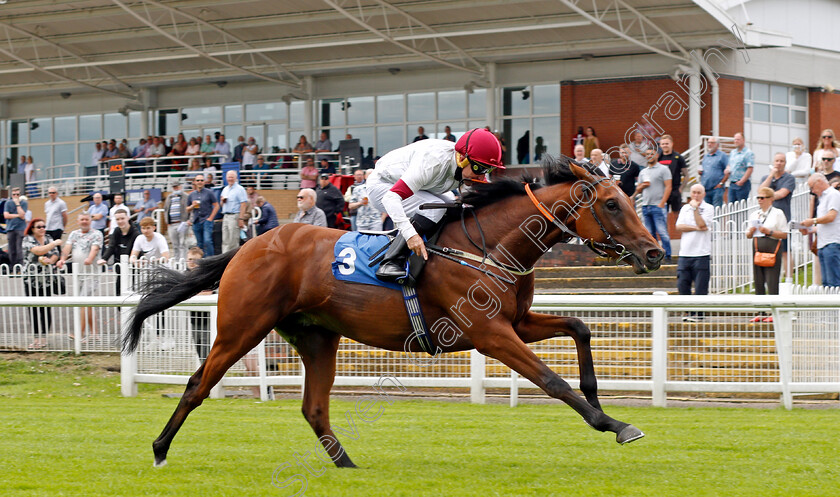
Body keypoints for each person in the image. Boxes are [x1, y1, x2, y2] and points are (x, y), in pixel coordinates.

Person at [367, 128, 503, 282]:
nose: (482, 175)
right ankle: (391, 262)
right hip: (382, 186)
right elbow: (391, 198)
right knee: (434, 209)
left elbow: (490, 197)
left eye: (488, 169)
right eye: (479, 168)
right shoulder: (433, 163)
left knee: (453, 204)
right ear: (462, 158)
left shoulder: (468, 166)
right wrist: (411, 235)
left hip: (420, 185)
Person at [57, 212, 103, 340]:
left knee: (82, 301)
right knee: (87, 304)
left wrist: (90, 258)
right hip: (78, 274)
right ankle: (95, 333)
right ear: (78, 221)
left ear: (90, 221)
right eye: (82, 219)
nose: (84, 221)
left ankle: (80, 333)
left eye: (86, 219)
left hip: (91, 274)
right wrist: (62, 259)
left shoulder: (96, 234)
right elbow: (67, 248)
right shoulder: (74, 234)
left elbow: (95, 248)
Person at [747, 187, 788, 320]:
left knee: (772, 280)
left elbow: (784, 234)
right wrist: (752, 231)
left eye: (762, 198)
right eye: (758, 197)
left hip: (772, 246)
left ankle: (773, 312)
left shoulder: (778, 213)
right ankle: (760, 312)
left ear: (770, 199)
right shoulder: (755, 214)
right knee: (758, 280)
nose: (759, 200)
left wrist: (768, 231)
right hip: (758, 247)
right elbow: (748, 235)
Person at [675, 185, 713, 322]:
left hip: (701, 253)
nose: (696, 195)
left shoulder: (708, 208)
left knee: (700, 286)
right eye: (693, 192)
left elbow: (703, 225)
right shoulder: (685, 208)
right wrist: (696, 228)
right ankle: (688, 312)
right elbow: (679, 227)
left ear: (703, 194)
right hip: (685, 253)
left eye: (698, 193)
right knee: (682, 284)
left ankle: (699, 313)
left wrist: (696, 209)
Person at [22, 218, 61, 349]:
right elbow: (39, 251)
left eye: (44, 226)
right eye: (39, 227)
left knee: (46, 308)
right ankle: (36, 338)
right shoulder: (27, 239)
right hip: (31, 279)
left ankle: (44, 338)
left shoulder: (48, 237)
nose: (42, 229)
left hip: (47, 279)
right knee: (33, 309)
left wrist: (50, 261)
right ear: (32, 228)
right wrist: (55, 243)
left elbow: (56, 254)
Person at [799, 173, 840, 287]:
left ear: (819, 182)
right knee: (826, 283)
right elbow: (824, 223)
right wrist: (809, 230)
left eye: (812, 187)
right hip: (823, 243)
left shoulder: (833, 195)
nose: (812, 191)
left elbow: (831, 217)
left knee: (834, 282)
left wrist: (812, 221)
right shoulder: (823, 198)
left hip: (832, 243)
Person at [635, 148, 672, 261]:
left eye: (651, 154)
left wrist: (662, 203)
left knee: (662, 232)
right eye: (647, 154)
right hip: (646, 206)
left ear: (656, 155)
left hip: (658, 206)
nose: (649, 156)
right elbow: (639, 189)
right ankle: (656, 256)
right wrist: (641, 187)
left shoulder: (663, 169)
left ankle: (668, 256)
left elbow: (668, 186)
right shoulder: (643, 172)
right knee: (650, 234)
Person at [186, 247, 213, 361]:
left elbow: (209, 292)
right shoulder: (185, 275)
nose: (191, 262)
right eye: (189, 259)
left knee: (207, 346)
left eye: (195, 260)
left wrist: (193, 294)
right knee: (198, 345)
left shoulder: (207, 275)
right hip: (194, 319)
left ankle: (206, 371)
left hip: (207, 319)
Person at [186, 173, 220, 257]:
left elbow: (217, 205)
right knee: (199, 243)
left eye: (201, 180)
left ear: (204, 182)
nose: (200, 182)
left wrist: (211, 218)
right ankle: (201, 261)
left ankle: (211, 259)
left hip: (206, 220)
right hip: (196, 220)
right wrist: (192, 206)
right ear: (195, 182)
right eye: (198, 180)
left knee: (207, 240)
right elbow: (187, 209)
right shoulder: (191, 194)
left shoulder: (209, 192)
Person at [220, 170, 249, 253]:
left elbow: (243, 204)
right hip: (225, 216)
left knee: (233, 240)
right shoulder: (225, 189)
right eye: (229, 177)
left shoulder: (240, 189)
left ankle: (232, 258)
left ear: (236, 178)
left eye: (232, 177)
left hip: (234, 216)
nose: (230, 179)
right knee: (225, 239)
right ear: (226, 178)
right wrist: (222, 201)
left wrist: (241, 219)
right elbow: (221, 204)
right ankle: (224, 258)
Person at [657, 134, 687, 213]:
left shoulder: (678, 157)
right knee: (662, 215)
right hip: (662, 191)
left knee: (676, 215)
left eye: (667, 143)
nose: (665, 146)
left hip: (675, 191)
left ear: (672, 144)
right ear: (660, 145)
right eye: (663, 144)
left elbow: (686, 175)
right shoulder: (658, 158)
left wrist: (681, 189)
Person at [699, 137, 729, 208]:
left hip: (717, 189)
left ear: (717, 145)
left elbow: (728, 171)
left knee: (716, 211)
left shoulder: (722, 156)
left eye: (712, 143)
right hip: (706, 189)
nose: (709, 144)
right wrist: (700, 172)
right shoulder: (706, 156)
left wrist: (721, 184)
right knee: (707, 210)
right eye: (708, 143)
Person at [163, 181, 189, 261]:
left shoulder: (185, 196)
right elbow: (166, 209)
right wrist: (167, 221)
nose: (175, 188)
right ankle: (177, 261)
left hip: (182, 223)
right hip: (172, 224)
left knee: (182, 244)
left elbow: (189, 209)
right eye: (174, 187)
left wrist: (187, 220)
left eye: (177, 187)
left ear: (180, 186)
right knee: (175, 244)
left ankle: (183, 261)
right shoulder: (169, 197)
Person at [4, 187, 27, 267]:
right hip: (10, 228)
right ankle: (13, 267)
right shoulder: (8, 203)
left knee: (19, 249)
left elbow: (23, 216)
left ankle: (21, 267)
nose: (15, 196)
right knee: (12, 250)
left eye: (17, 194)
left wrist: (17, 204)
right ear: (11, 195)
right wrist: (17, 215)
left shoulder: (23, 203)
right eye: (14, 194)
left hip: (20, 228)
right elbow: (6, 215)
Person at [728, 132, 754, 203]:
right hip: (732, 183)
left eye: (738, 139)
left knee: (741, 207)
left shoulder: (748, 153)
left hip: (742, 184)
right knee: (731, 207)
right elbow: (729, 165)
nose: (736, 141)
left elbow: (750, 168)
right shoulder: (732, 153)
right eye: (735, 139)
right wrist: (727, 169)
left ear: (743, 140)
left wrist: (742, 181)